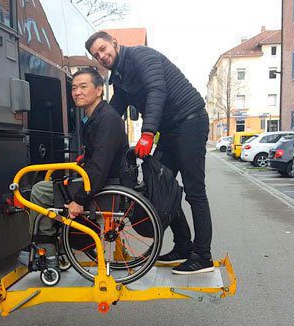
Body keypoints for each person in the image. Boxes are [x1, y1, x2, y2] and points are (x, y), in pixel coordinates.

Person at [85, 31, 213, 275]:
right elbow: (112, 113)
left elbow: (157, 91)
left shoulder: (141, 56)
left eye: (103, 49)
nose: (101, 55)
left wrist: (147, 133)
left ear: (114, 43)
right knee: (160, 185)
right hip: (169, 130)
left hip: (190, 122)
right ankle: (184, 245)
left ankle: (202, 256)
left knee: (195, 192)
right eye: (96, 55)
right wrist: (92, 146)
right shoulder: (120, 78)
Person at [29, 67, 128, 256]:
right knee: (54, 185)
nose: (77, 92)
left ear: (99, 90)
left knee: (39, 191)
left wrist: (79, 199)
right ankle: (64, 245)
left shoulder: (106, 119)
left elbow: (100, 165)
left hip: (104, 184)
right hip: (100, 180)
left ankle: (47, 253)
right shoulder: (96, 116)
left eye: (83, 86)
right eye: (74, 88)